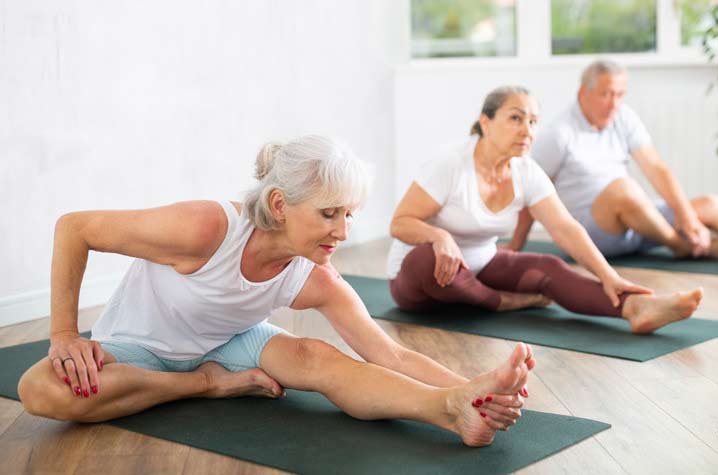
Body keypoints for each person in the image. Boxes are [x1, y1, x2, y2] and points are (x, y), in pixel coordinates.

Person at [18, 135, 532, 448]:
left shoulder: (314, 275)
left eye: (349, 214)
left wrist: (472, 391)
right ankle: (206, 385)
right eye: (329, 213)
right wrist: (64, 332)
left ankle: (447, 410)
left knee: (318, 357)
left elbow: (387, 352)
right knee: (38, 390)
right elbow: (74, 227)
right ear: (281, 204)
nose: (343, 231)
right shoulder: (207, 228)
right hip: (136, 346)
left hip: (227, 341)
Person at [388, 87, 703, 334]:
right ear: (486, 122)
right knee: (429, 258)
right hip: (419, 284)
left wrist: (609, 276)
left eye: (533, 121)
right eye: (515, 118)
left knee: (549, 266)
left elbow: (565, 228)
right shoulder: (450, 164)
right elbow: (400, 222)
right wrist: (438, 235)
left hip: (479, 266)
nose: (527, 130)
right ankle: (502, 301)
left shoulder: (526, 171)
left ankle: (635, 308)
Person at [528, 59, 718, 258]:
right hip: (594, 235)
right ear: (583, 93)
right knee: (622, 189)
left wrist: (688, 217)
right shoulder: (558, 133)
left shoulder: (623, 116)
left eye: (620, 94)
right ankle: (682, 246)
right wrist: (517, 245)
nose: (614, 103)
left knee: (711, 205)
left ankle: (697, 242)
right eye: (606, 94)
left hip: (638, 221)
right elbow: (530, 190)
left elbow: (655, 167)